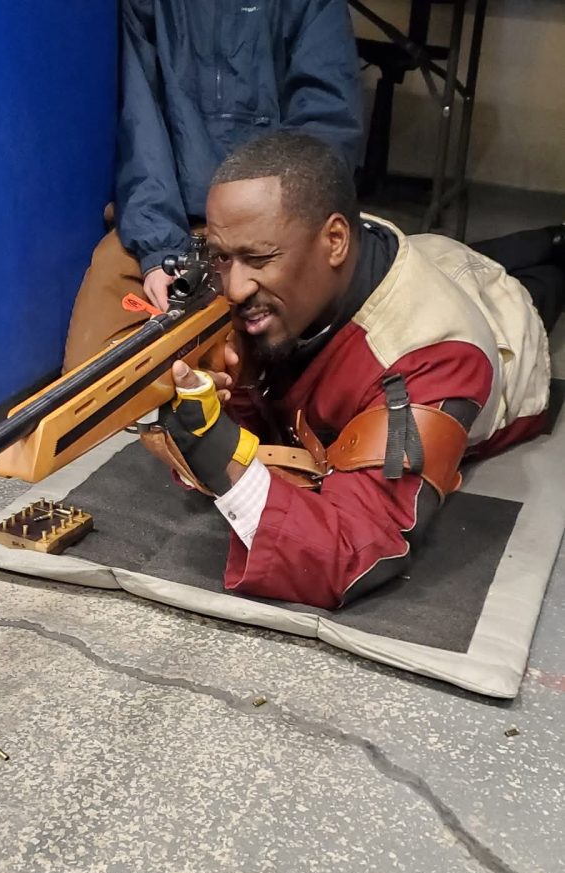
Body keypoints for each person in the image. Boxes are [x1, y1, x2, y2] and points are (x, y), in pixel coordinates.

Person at [141, 131, 564, 609]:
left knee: (536, 287)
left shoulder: (435, 353)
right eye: (222, 256)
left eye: (258, 258)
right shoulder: (298, 260)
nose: (234, 289)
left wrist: (215, 447)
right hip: (427, 252)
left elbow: (356, 550)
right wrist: (215, 381)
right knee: (460, 252)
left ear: (336, 240)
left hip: (504, 322)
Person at [62, 0, 363, 372]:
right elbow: (140, 128)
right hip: (172, 220)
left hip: (276, 230)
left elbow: (323, 137)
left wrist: (264, 243)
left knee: (278, 360)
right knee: (92, 375)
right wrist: (159, 251)